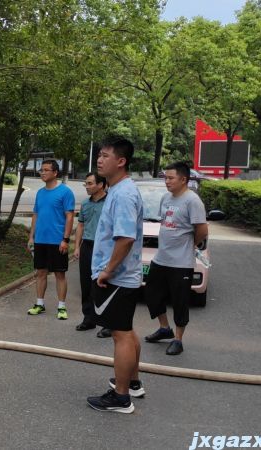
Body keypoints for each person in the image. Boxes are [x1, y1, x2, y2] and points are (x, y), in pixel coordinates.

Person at [85, 136, 144, 414]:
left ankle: (121, 397)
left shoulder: (123, 194)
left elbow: (125, 239)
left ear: (121, 162)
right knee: (127, 332)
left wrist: (107, 271)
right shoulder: (119, 190)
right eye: (99, 154)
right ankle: (132, 383)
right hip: (123, 276)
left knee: (120, 335)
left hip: (117, 278)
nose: (99, 159)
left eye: (105, 155)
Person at [143, 162, 208, 355]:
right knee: (151, 294)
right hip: (161, 258)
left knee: (179, 301)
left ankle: (178, 339)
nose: (167, 181)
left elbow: (202, 230)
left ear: (183, 179)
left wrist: (190, 245)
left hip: (181, 262)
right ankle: (164, 328)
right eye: (165, 177)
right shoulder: (166, 198)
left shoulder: (192, 201)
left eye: (171, 178)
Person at [26, 159, 76, 320]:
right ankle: (39, 304)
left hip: (57, 241)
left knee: (59, 274)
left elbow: (69, 217)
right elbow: (36, 214)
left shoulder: (65, 192)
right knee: (40, 272)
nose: (43, 172)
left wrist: (65, 239)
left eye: (46, 170)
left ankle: (61, 307)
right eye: (42, 170)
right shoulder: (40, 192)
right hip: (40, 240)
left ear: (55, 173)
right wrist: (31, 237)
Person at [73, 172, 109, 336]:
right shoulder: (86, 203)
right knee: (86, 284)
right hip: (87, 245)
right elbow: (80, 225)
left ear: (101, 185)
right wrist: (77, 246)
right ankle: (89, 319)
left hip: (105, 248)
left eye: (90, 183)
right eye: (85, 184)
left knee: (104, 284)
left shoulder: (110, 202)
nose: (87, 187)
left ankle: (108, 322)